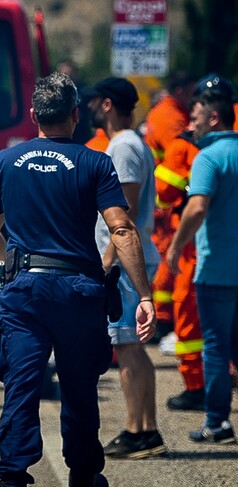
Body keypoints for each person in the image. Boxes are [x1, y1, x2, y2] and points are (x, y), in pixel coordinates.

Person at [0, 72, 156, 487]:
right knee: (79, 393)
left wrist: (12, 264)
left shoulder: (3, 161)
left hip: (25, 294)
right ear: (76, 117)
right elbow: (122, 230)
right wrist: (144, 296)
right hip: (78, 290)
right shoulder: (95, 162)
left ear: (35, 115)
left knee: (21, 391)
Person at [89, 77, 166, 460]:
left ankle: (137, 430)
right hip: (131, 257)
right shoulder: (129, 144)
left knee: (128, 349)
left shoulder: (123, 146)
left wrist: (108, 260)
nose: (87, 108)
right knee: (136, 348)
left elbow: (127, 212)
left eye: (93, 102)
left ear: (106, 105)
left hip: (125, 261)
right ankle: (146, 430)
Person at [167, 85, 238, 444]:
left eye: (195, 118)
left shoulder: (209, 158)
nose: (190, 125)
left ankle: (217, 422)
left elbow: (195, 207)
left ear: (214, 117)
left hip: (217, 270)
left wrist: (176, 248)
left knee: (215, 345)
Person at [154, 128, 205, 411]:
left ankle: (196, 386)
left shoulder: (183, 146)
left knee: (187, 307)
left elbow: (163, 190)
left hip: (192, 242)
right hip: (221, 240)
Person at [144, 72, 196, 336]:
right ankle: (163, 318)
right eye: (190, 91)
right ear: (178, 91)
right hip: (165, 199)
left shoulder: (166, 112)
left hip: (162, 195)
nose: (193, 97)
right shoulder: (171, 118)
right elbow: (183, 152)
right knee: (168, 256)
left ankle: (162, 315)